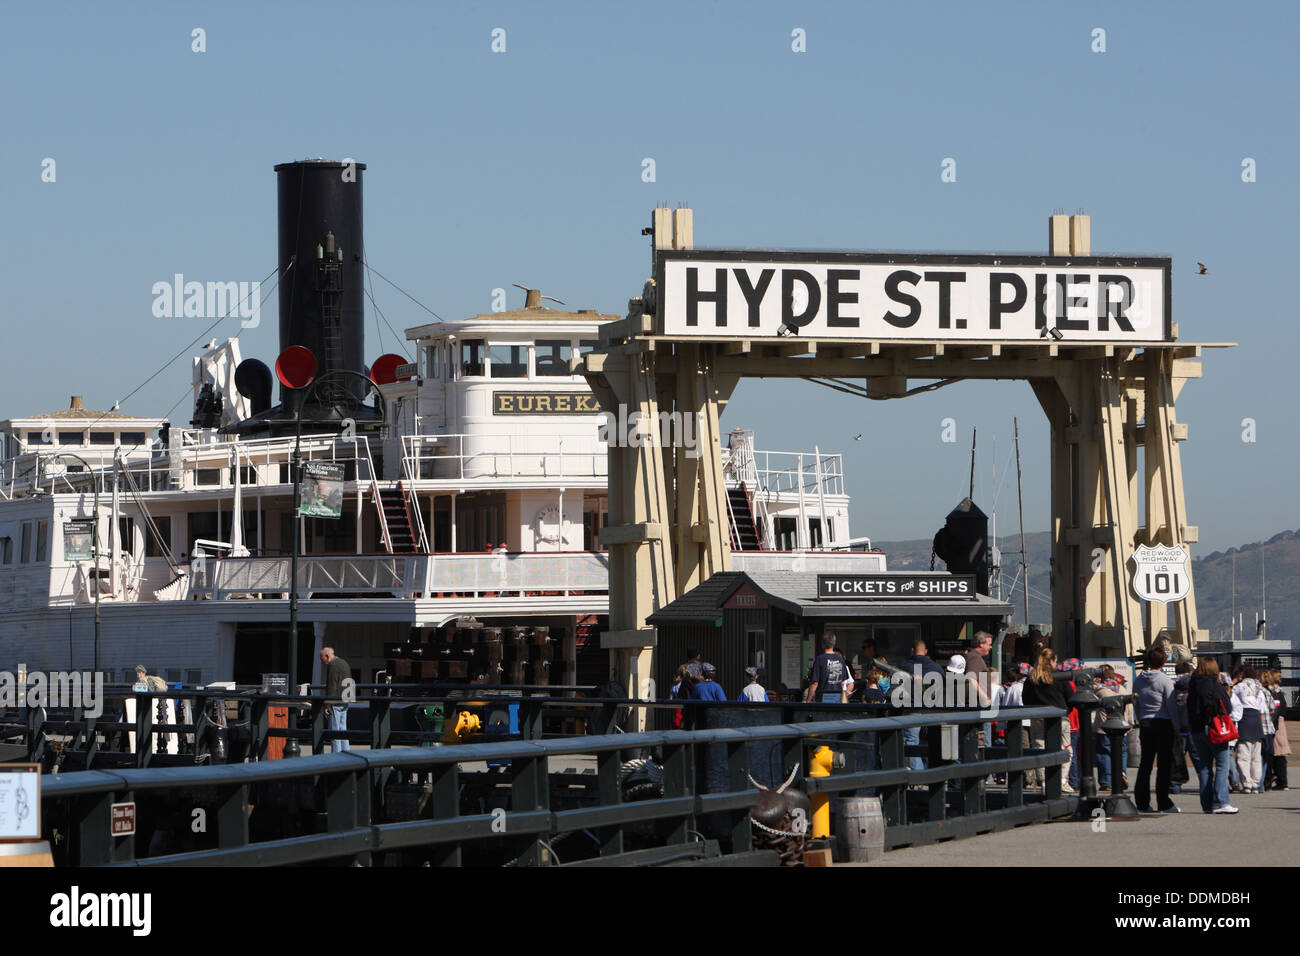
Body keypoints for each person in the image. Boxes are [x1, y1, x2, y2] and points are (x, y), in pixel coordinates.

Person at [1133, 646, 1182, 812]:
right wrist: (1176, 728)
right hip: (1163, 723)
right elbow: (1171, 706)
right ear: (1163, 661)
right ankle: (1163, 802)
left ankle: (1142, 802)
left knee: (1145, 764)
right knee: (1163, 765)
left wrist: (1140, 719)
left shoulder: (1138, 680)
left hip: (1146, 723)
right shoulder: (1165, 680)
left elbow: (1136, 703)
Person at [1186, 657, 1237, 814]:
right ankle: (1222, 801)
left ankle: (1207, 803)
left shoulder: (1192, 685)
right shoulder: (1215, 686)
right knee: (1222, 765)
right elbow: (1227, 708)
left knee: (1205, 767)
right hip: (1215, 728)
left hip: (1197, 730)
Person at [1020, 648, 1075, 793]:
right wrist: (1066, 711)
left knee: (1040, 749)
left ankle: (1044, 783)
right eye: (1056, 661)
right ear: (1051, 661)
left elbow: (1025, 700)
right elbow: (1072, 697)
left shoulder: (1031, 678)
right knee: (1066, 748)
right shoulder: (1060, 677)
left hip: (1038, 717)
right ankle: (1062, 781)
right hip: (1059, 717)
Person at [1230, 666, 1270, 793]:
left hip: (1244, 719)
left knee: (1243, 755)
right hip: (1257, 720)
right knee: (1256, 756)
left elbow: (1232, 701)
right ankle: (1256, 783)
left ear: (1242, 675)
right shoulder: (1260, 689)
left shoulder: (1239, 687)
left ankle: (1247, 783)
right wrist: (1261, 725)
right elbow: (1263, 709)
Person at [806, 632, 853, 703]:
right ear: (834, 644)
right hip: (837, 698)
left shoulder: (819, 659)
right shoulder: (841, 659)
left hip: (822, 699)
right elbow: (843, 682)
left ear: (822, 644)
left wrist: (808, 700)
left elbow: (815, 683)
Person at [320, 646, 351, 753]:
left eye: (322, 658)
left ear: (327, 656)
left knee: (334, 730)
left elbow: (332, 685)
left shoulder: (333, 665)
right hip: (345, 700)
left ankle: (336, 756)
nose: (322, 662)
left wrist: (327, 705)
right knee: (343, 729)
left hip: (335, 701)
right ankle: (347, 753)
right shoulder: (344, 663)